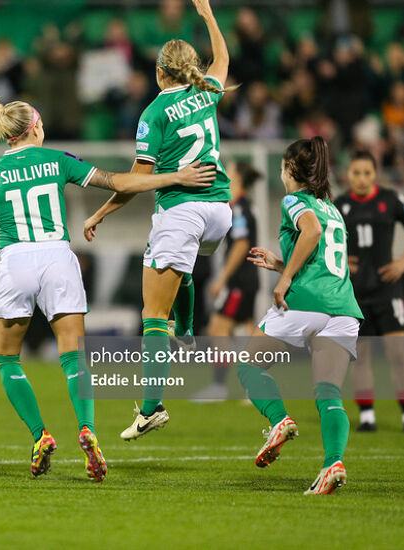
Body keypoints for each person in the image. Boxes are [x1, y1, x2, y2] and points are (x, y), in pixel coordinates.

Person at [0, 98, 215, 480]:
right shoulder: (57, 160)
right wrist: (174, 178)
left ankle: (40, 435)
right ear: (34, 128)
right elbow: (119, 182)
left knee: (7, 360)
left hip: (15, 261)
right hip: (57, 260)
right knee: (73, 357)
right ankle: (87, 429)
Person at [83, 0, 233, 440]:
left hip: (182, 210)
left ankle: (151, 408)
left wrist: (100, 211)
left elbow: (136, 183)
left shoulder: (152, 114)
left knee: (152, 314)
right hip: (220, 212)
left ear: (159, 72)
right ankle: (187, 329)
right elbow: (223, 59)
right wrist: (207, 15)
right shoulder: (206, 89)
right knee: (182, 272)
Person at [242, 136, 362, 495]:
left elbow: (311, 231)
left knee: (248, 366)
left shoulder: (296, 201)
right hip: (343, 307)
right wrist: (280, 263)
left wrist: (286, 277)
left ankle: (280, 420)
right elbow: (321, 255)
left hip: (305, 303)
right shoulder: (331, 206)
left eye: (281, 167)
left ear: (290, 168)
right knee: (329, 393)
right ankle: (333, 464)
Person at [334, 150, 404, 432]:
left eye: (366, 173)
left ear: (375, 174)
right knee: (361, 356)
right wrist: (340, 259)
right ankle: (367, 416)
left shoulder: (391, 199)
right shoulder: (339, 205)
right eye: (356, 173)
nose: (361, 179)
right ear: (348, 174)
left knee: (398, 353)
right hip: (355, 293)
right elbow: (322, 241)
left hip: (387, 288)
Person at [194, 161, 262, 401]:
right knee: (248, 330)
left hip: (239, 281)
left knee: (218, 328)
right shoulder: (239, 207)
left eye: (230, 171)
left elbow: (242, 244)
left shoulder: (240, 209)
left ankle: (220, 386)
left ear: (237, 179)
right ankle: (254, 384)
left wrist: (222, 278)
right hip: (246, 280)